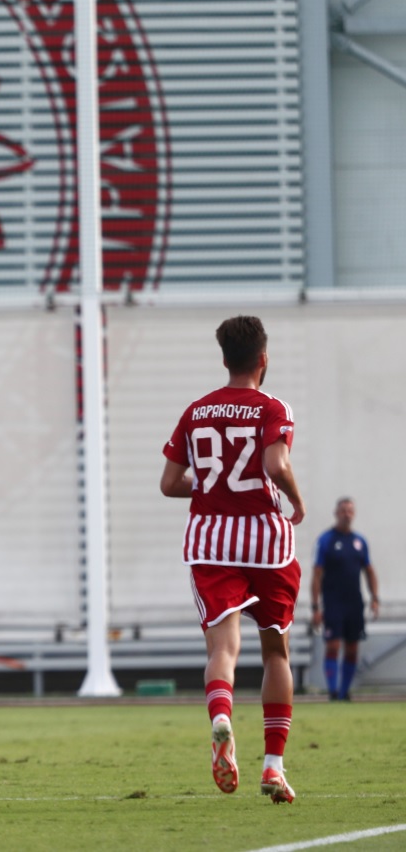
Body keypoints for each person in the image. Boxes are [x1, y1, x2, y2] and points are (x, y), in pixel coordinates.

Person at [160, 315, 306, 805]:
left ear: (224, 359)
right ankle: (273, 766)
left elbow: (169, 483)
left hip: (211, 541)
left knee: (222, 650)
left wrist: (209, 485)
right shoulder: (272, 406)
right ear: (263, 358)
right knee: (275, 652)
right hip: (266, 541)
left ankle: (221, 717)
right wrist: (297, 499)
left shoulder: (196, 411)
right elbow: (275, 464)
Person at [312, 498, 380, 701]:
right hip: (333, 602)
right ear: (336, 513)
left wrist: (374, 597)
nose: (346, 514)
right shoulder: (326, 540)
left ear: (354, 513)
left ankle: (344, 692)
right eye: (343, 510)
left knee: (352, 648)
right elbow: (317, 574)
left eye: (350, 510)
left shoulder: (360, 542)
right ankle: (333, 691)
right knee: (333, 645)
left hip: (354, 602)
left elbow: (369, 571)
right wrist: (316, 606)